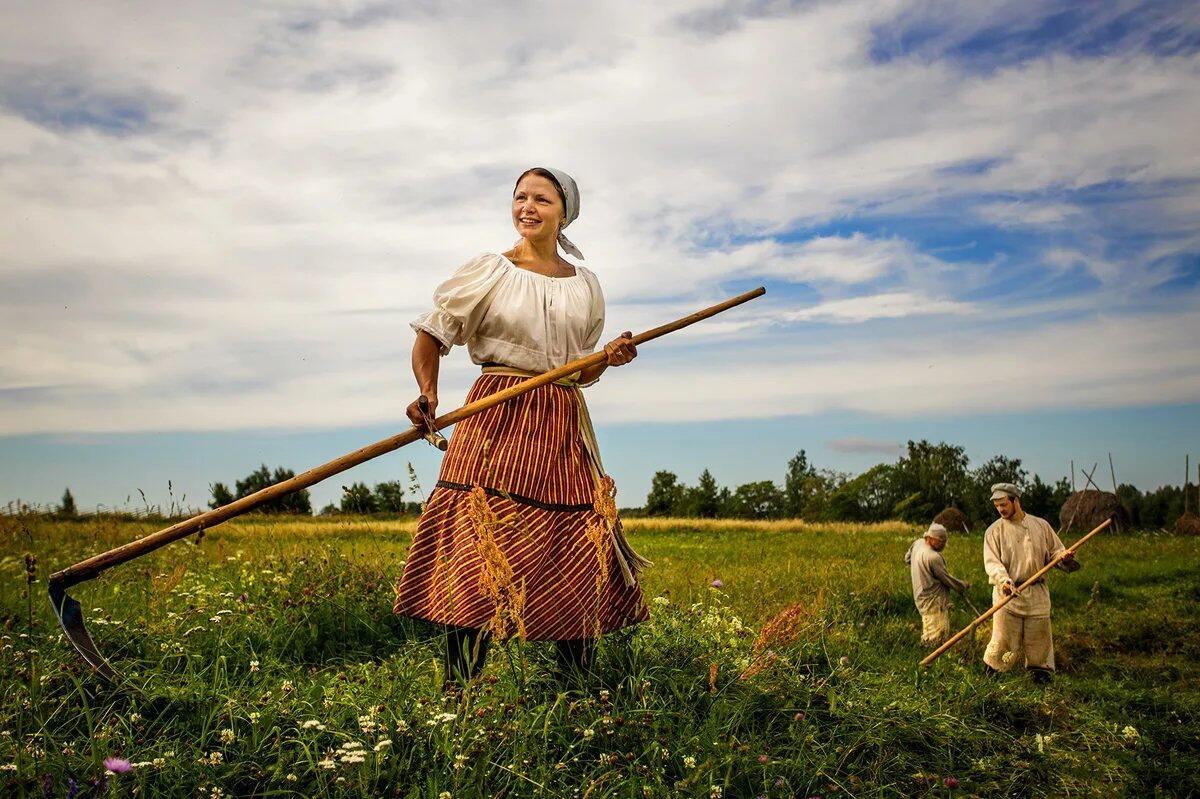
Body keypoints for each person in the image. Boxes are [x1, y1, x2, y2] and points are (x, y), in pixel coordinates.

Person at [392, 167, 651, 688]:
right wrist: (428, 395)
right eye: (520, 198)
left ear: (564, 213)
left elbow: (581, 369)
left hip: (560, 421)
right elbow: (431, 335)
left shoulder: (586, 286)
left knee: (573, 544)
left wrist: (608, 359)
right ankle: (459, 691)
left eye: (542, 199)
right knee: (479, 543)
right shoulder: (490, 270)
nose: (527, 208)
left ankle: (577, 691)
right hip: (493, 415)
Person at [982, 482, 1079, 684]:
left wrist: (1064, 557)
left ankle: (1041, 684)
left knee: (1040, 647)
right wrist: (1004, 582)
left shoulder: (1040, 525)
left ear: (1015, 501)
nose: (1000, 509)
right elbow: (992, 563)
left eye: (1003, 504)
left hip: (1037, 596)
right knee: (1002, 644)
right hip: (1008, 597)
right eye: (996, 505)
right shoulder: (994, 531)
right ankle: (991, 685)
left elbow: (1055, 552)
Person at [905, 522, 970, 646]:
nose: (944, 545)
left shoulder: (918, 544)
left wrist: (919, 569)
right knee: (937, 636)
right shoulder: (933, 557)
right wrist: (962, 586)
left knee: (928, 624)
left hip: (920, 596)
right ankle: (932, 658)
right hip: (933, 600)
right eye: (942, 542)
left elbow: (907, 559)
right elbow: (946, 579)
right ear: (932, 539)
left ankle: (926, 651)